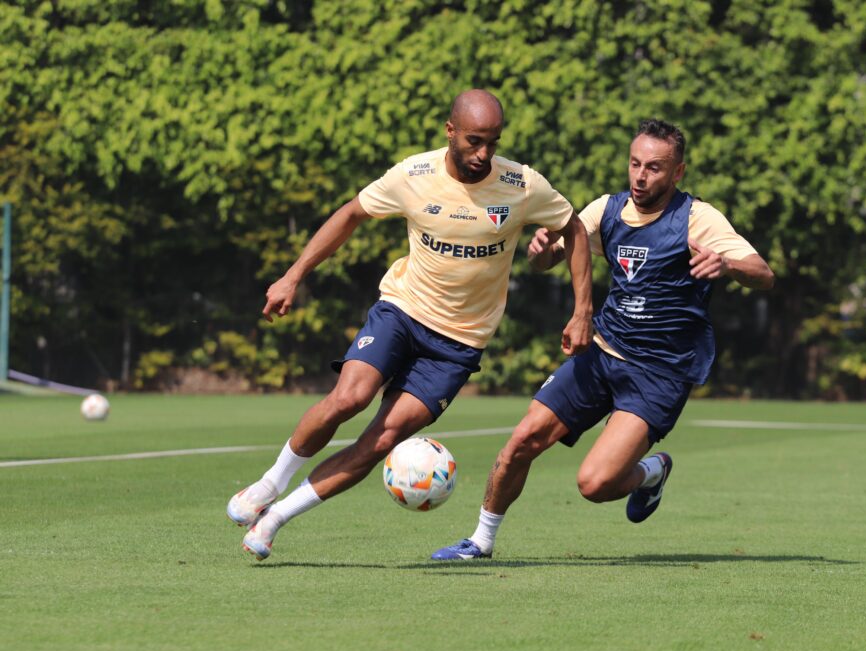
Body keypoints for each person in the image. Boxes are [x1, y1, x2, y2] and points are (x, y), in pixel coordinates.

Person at [227, 89, 593, 560]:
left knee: (380, 438)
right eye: (474, 141)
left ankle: (276, 520)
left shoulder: (521, 185)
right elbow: (352, 213)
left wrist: (582, 310)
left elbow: (575, 229)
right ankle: (269, 484)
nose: (484, 154)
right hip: (403, 310)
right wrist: (293, 275)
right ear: (450, 132)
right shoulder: (413, 175)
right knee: (349, 397)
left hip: (458, 345)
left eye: (494, 143)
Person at [432, 118, 774, 560]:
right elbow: (555, 256)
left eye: (654, 167)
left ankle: (653, 471)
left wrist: (728, 266)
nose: (640, 175)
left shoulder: (697, 218)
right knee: (522, 441)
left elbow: (763, 274)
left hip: (659, 373)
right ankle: (479, 542)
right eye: (635, 164)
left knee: (595, 485)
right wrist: (543, 253)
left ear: (678, 172)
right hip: (603, 352)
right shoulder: (607, 210)